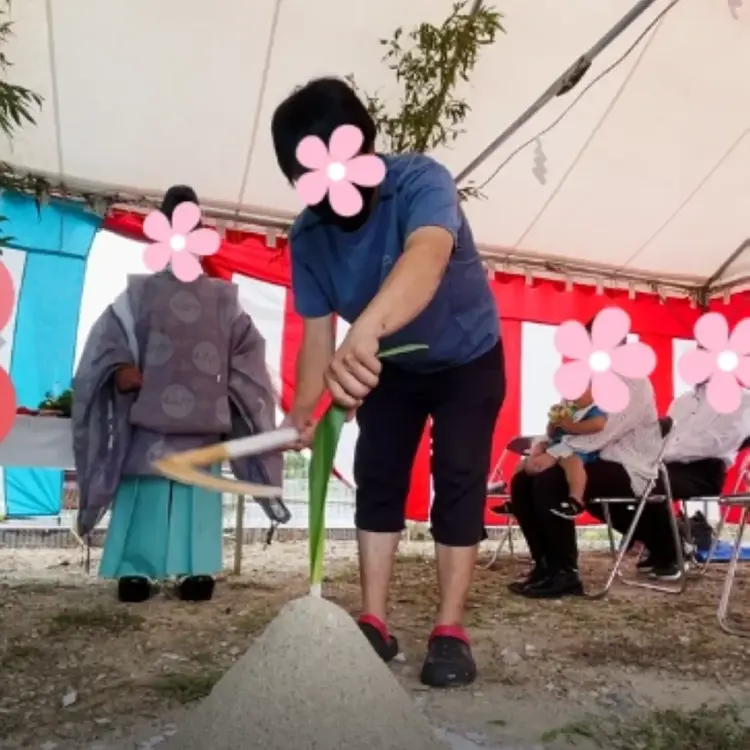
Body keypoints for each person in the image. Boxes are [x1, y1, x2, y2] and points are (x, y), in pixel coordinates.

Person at [271, 77, 505, 688]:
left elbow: (426, 258)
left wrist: (365, 332)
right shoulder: (308, 237)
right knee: (378, 475)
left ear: (364, 147)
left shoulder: (422, 181)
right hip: (392, 364)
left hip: (468, 357)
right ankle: (373, 621)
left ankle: (449, 629)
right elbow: (317, 334)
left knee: (458, 477)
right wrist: (302, 409)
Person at [73, 186, 287, 604]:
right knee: (147, 490)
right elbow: (109, 337)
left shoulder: (224, 300)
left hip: (203, 420)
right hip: (150, 416)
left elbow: (248, 350)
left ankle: (196, 569)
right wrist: (119, 367)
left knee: (197, 491)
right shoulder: (138, 294)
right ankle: (135, 569)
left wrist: (235, 387)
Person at [508, 338, 662, 599]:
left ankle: (565, 573)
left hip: (624, 464)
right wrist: (543, 445)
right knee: (522, 480)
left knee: (551, 479)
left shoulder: (634, 382)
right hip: (586, 456)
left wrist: (554, 454)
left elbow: (603, 432)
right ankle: (545, 565)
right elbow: (562, 421)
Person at [634, 381, 750, 579]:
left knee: (643, 483)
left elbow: (718, 443)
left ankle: (671, 551)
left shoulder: (743, 400)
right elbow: (665, 436)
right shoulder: (682, 401)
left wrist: (662, 453)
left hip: (704, 470)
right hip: (666, 465)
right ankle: (665, 545)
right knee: (612, 481)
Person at [533, 389, 607, 520]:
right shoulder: (568, 411)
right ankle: (515, 496)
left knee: (573, 463)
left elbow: (598, 425)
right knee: (534, 450)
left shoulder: (593, 409)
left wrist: (570, 426)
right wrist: (553, 421)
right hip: (558, 446)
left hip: (579, 448)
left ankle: (576, 500)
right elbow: (551, 434)